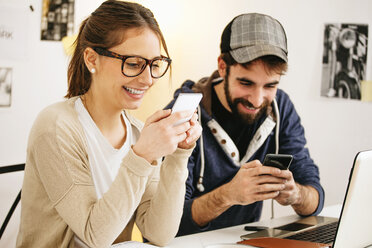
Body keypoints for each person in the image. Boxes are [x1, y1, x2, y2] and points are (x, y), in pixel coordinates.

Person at [16, 1, 202, 247]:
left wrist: (179, 155)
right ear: (92, 59)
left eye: (155, 64)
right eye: (134, 63)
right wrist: (143, 155)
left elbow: (159, 233)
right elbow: (96, 237)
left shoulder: (138, 133)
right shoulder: (55, 127)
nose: (147, 79)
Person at [166, 13, 324, 236]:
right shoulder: (183, 112)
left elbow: (315, 195)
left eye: (270, 86)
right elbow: (167, 223)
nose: (257, 100)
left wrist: (295, 194)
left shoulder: (281, 108)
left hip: (247, 241)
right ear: (222, 66)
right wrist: (228, 195)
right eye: (246, 82)